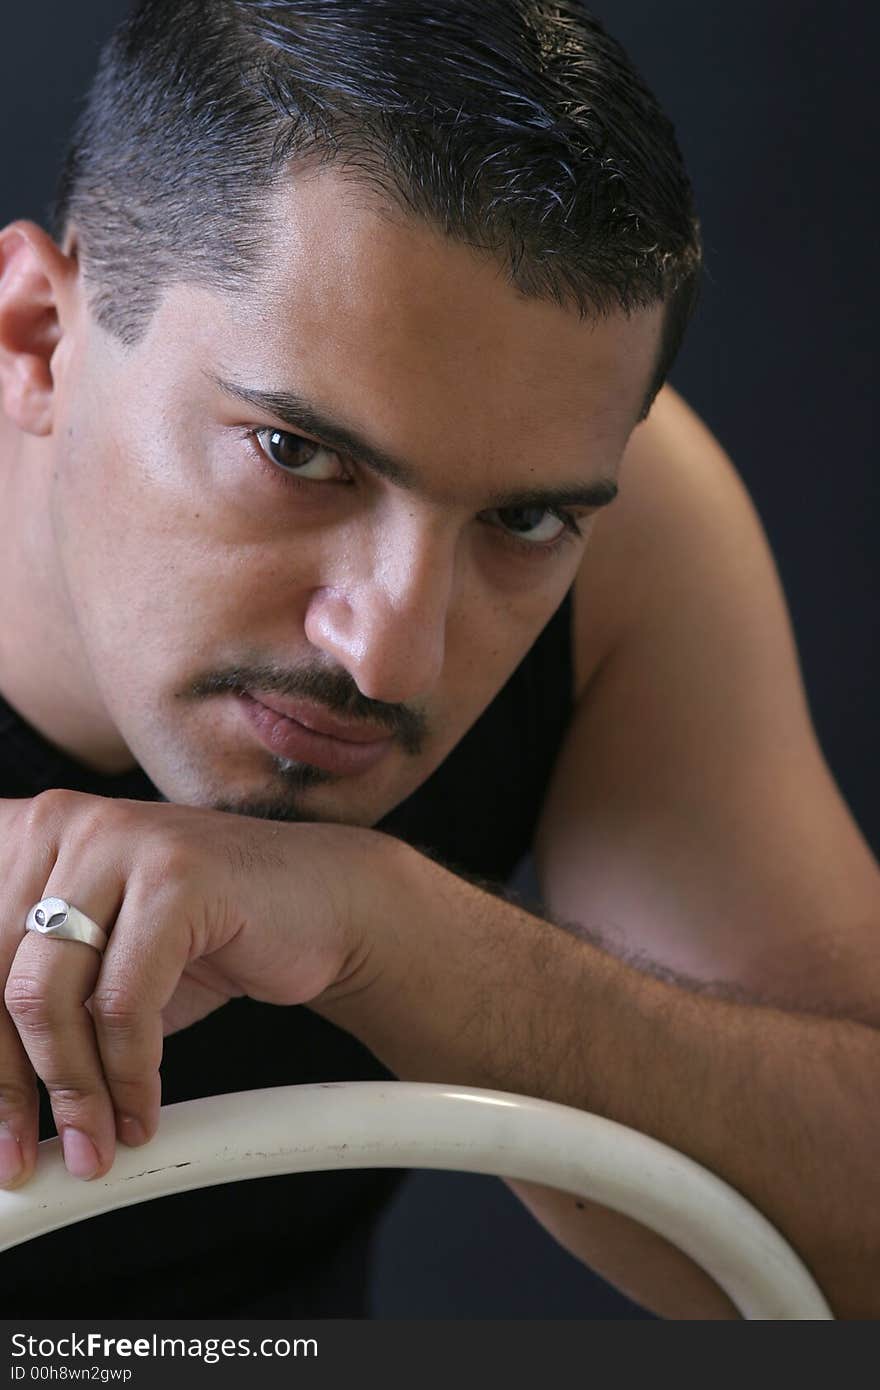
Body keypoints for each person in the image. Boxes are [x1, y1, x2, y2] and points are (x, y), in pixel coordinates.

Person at [0, 0, 877, 1322]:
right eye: (298, 453)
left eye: (522, 522)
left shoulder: (632, 522)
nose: (393, 653)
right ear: (37, 340)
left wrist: (389, 930)